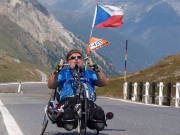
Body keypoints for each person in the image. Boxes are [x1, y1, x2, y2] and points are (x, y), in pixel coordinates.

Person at [47, 49, 108, 131]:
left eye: (79, 57)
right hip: (68, 99)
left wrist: (95, 68)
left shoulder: (89, 73)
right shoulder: (63, 73)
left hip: (87, 100)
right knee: (68, 115)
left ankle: (96, 121)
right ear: (68, 62)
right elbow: (51, 85)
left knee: (98, 115)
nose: (76, 59)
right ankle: (64, 117)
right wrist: (57, 70)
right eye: (72, 58)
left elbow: (103, 83)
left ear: (82, 60)